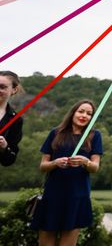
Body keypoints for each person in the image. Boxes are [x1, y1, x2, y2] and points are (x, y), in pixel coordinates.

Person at [30, 99, 103, 246]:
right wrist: (55, 163)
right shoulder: (55, 133)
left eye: (89, 114)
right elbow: (43, 165)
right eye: (81, 111)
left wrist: (85, 162)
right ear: (73, 113)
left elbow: (95, 167)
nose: (84, 115)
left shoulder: (94, 136)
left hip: (77, 195)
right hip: (53, 194)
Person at [0, 71, 24, 167]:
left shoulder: (16, 120)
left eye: (2, 87)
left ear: (14, 90)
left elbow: (9, 161)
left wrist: (4, 147)